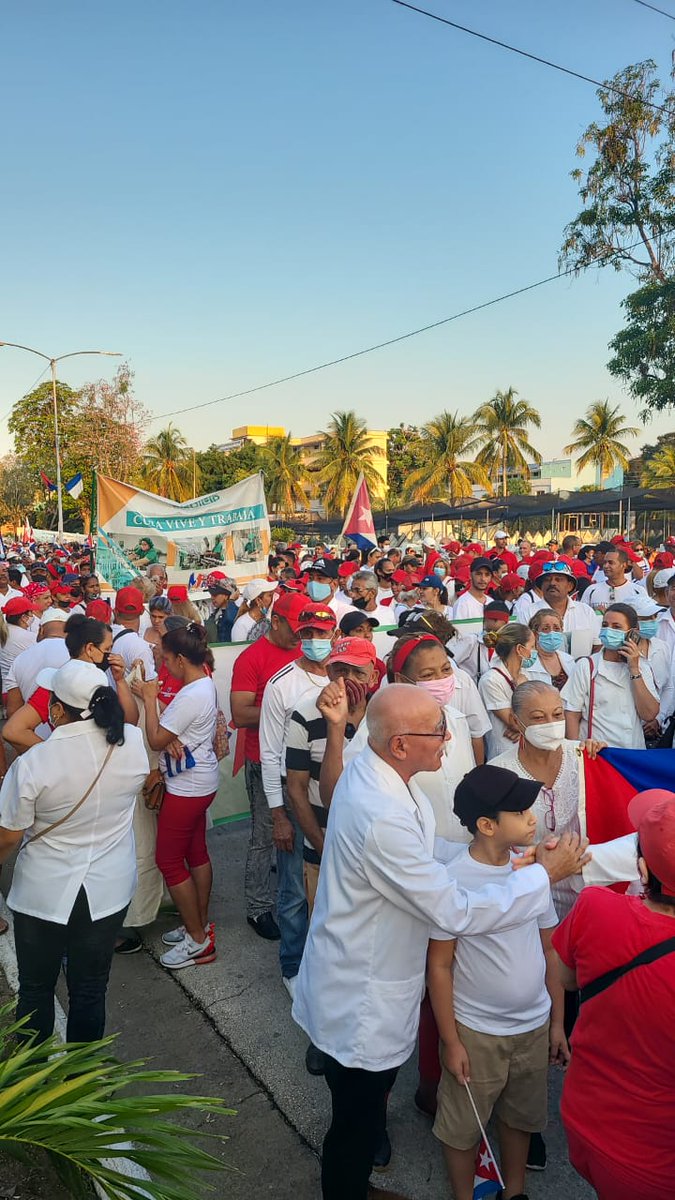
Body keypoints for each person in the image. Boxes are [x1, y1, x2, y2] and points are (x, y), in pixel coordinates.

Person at [291, 684, 590, 1200]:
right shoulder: (380, 814)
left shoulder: (380, 771)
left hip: (361, 970)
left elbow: (426, 846)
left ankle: (355, 1186)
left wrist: (497, 854)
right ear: (400, 744)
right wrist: (542, 875)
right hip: (362, 992)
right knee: (356, 1120)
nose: (449, 738)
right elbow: (456, 910)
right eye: (437, 732)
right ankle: (347, 1190)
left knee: (362, 1109)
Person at [428, 766, 567, 1200]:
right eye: (520, 812)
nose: (532, 818)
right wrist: (451, 1042)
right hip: (477, 1032)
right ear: (487, 825)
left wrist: (557, 1022)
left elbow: (550, 949)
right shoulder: (452, 881)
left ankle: (514, 1191)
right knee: (463, 1125)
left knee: (520, 1117)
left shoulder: (530, 871)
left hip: (533, 1025)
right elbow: (439, 967)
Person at [0, 660, 149, 1042]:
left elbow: (9, 837)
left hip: (44, 892)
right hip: (107, 889)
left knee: (36, 988)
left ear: (56, 710)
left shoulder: (34, 763)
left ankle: (37, 1074)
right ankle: (84, 1072)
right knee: (90, 989)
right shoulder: (132, 743)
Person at [553, 789, 675, 1200]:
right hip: (655, 1163)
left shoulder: (593, 907)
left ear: (642, 869)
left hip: (584, 1121)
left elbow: (567, 979)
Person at [260, 602, 338, 995]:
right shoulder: (282, 684)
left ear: (334, 635)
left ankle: (327, 963)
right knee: (293, 889)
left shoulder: (344, 677)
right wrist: (279, 816)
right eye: (308, 633)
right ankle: (292, 966)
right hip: (297, 797)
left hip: (336, 797)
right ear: (299, 636)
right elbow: (270, 753)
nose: (315, 640)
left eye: (322, 633)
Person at [133, 622, 219, 970]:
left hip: (187, 787)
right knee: (195, 851)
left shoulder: (190, 694)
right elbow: (172, 734)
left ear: (181, 659)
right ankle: (198, 923)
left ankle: (197, 939)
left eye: (166, 659)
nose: (164, 666)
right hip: (200, 780)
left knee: (168, 860)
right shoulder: (203, 683)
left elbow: (156, 738)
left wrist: (149, 699)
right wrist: (171, 736)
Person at [229, 592, 305, 941]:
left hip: (300, 759)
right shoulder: (251, 658)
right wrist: (286, 710)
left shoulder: (304, 652)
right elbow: (241, 713)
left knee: (299, 832)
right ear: (275, 622)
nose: (301, 636)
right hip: (263, 759)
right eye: (296, 629)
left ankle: (295, 895)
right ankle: (258, 907)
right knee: (264, 835)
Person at [562, 603, 659, 748]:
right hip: (597, 752)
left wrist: (634, 669)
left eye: (616, 627)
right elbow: (571, 713)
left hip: (632, 750)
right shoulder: (587, 666)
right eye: (605, 625)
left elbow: (649, 714)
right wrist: (576, 751)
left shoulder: (642, 667)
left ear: (632, 633)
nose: (608, 630)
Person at [479, 623, 536, 759]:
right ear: (520, 649)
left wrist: (524, 730)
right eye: (532, 647)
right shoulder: (491, 680)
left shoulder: (526, 674)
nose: (535, 652)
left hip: (529, 749)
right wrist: (522, 689)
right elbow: (514, 723)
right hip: (504, 753)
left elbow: (539, 715)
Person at [526, 608, 576, 690]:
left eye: (556, 628)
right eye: (546, 629)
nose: (552, 633)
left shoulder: (569, 660)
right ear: (535, 634)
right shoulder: (527, 663)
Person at [0, 598, 37, 698]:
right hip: (20, 692)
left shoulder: (5, 631)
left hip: (6, 690)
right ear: (24, 617)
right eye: (31, 613)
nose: (33, 616)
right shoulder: (27, 637)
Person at [452, 557, 494, 622]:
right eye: (479, 574)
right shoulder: (462, 603)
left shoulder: (491, 602)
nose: (483, 579)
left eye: (487, 575)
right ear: (470, 575)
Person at [204, 572, 240, 644]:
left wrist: (231, 600)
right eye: (211, 594)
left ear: (226, 595)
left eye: (215, 594)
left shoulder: (236, 610)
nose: (212, 597)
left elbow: (230, 619)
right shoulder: (215, 613)